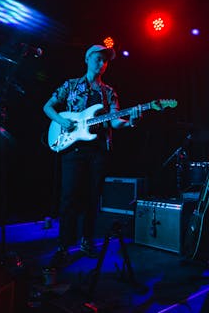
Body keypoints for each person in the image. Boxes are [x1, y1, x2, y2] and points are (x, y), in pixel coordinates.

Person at [43, 44, 141, 265]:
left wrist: (131, 121)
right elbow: (48, 107)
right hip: (72, 148)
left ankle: (87, 241)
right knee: (69, 197)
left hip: (97, 151)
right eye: (97, 59)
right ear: (87, 59)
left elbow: (115, 121)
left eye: (105, 61)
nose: (101, 63)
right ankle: (63, 244)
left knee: (92, 198)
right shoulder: (71, 85)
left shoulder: (109, 92)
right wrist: (61, 121)